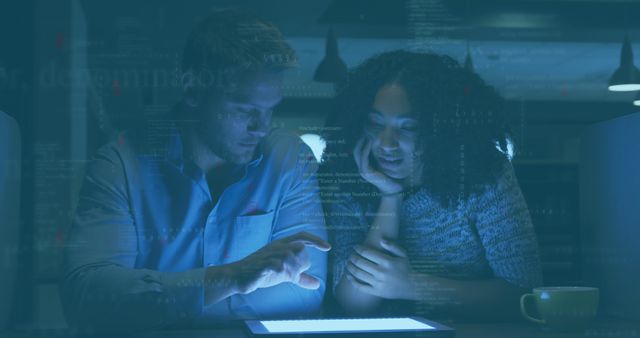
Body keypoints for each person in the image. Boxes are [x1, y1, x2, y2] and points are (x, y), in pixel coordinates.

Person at [61, 8, 330, 332]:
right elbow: (87, 298)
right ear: (191, 89)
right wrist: (232, 278)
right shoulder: (120, 165)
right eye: (244, 109)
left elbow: (304, 293)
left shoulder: (289, 160)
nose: (261, 127)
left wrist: (178, 297)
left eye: (271, 110)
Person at [320, 50, 542, 320]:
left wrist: (412, 286)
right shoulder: (351, 182)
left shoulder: (485, 174)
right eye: (375, 123)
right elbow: (354, 303)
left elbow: (524, 293)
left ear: (441, 131)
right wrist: (390, 196)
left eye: (408, 127)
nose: (386, 143)